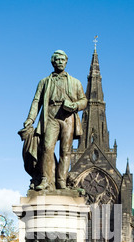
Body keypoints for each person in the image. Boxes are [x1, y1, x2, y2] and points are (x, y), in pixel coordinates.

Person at [22, 50, 87, 191]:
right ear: (52, 62)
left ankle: (61, 181)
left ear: (66, 61)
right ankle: (46, 179)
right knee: (47, 147)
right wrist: (30, 118)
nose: (60, 62)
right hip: (50, 115)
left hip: (68, 117)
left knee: (66, 151)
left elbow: (84, 100)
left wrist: (75, 105)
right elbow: (36, 101)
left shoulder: (75, 82)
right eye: (57, 59)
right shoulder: (44, 82)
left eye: (62, 59)